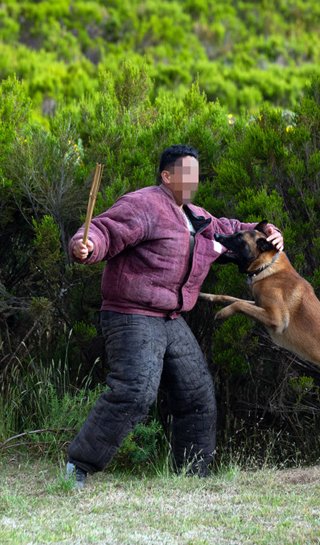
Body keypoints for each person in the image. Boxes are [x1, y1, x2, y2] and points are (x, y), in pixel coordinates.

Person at [65, 144, 283, 488]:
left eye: (196, 173)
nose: (193, 180)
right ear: (167, 176)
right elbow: (103, 231)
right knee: (135, 392)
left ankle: (192, 478)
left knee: (197, 396)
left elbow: (229, 229)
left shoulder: (195, 215)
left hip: (171, 318)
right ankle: (78, 467)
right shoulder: (144, 204)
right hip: (131, 314)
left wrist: (266, 231)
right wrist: (86, 245)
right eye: (186, 173)